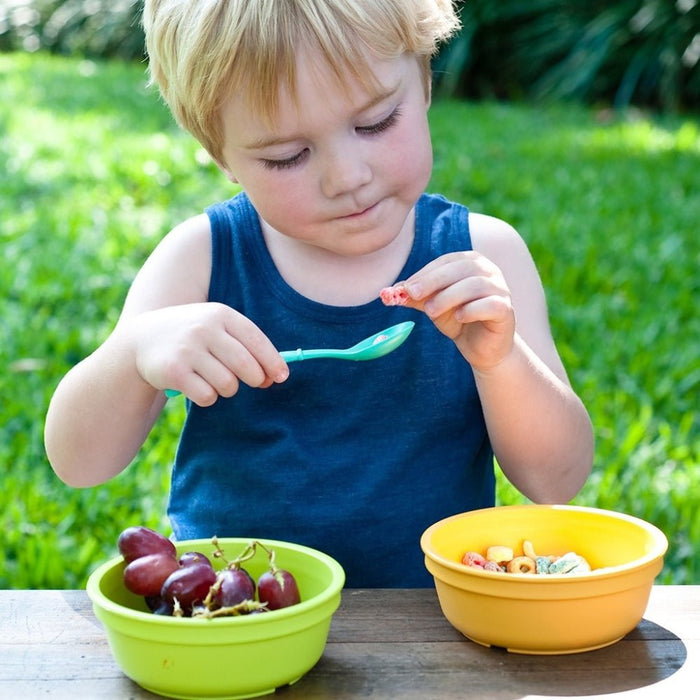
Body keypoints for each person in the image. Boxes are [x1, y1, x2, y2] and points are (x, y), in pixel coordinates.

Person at [44, 0, 594, 587]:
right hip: (239, 622)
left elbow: (556, 480)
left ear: (425, 84)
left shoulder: (483, 257)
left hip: (432, 624)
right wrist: (134, 354)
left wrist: (501, 359)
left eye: (377, 123)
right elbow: (80, 464)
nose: (346, 176)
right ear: (220, 155)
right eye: (288, 156)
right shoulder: (199, 261)